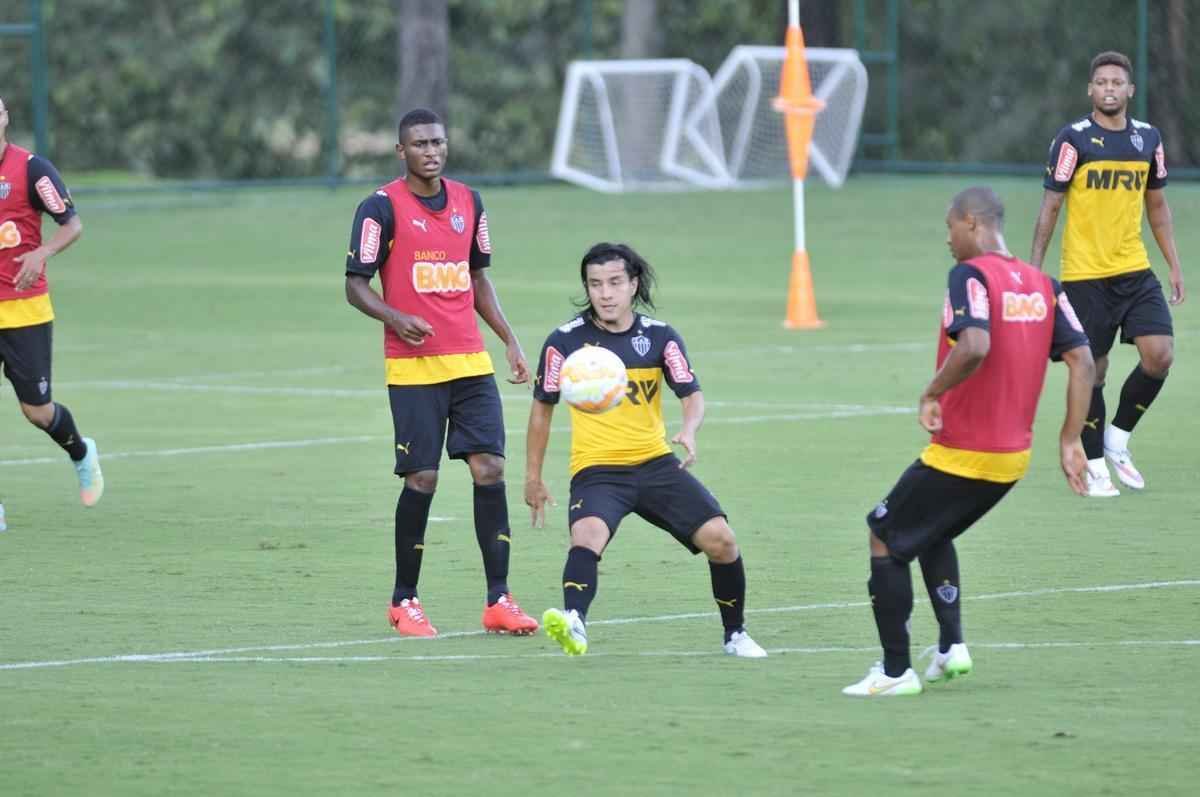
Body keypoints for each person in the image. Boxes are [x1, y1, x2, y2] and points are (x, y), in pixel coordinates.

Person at [844, 187, 1094, 697]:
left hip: (965, 451)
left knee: (883, 535)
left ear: (972, 223)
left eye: (950, 227)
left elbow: (975, 343)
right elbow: (1084, 361)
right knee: (932, 532)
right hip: (1012, 458)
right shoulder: (1043, 284)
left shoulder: (971, 276)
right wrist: (1071, 439)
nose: (948, 239)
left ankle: (894, 673)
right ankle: (950, 648)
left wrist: (932, 390)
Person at [344, 108, 538, 637]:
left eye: (438, 142)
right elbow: (355, 285)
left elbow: (477, 278)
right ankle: (403, 601)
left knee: (490, 469)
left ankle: (499, 599)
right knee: (423, 478)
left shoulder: (469, 202)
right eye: (420, 143)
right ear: (401, 151)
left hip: (471, 364)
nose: (432, 150)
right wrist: (394, 315)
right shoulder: (378, 208)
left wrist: (510, 339)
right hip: (413, 369)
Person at [525, 242, 767, 658]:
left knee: (722, 541)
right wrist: (533, 476)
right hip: (597, 469)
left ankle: (736, 634)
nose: (605, 293)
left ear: (633, 285)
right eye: (595, 284)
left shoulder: (660, 337)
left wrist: (689, 430)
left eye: (615, 283)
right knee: (586, 536)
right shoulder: (564, 343)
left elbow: (692, 395)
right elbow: (541, 411)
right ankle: (574, 623)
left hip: (656, 465)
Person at [1030, 50, 1185, 497]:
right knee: (1092, 371)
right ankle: (1094, 460)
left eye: (1118, 82)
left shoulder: (1148, 140)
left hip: (1134, 269)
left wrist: (1173, 263)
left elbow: (1156, 206)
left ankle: (1118, 439)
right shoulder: (1072, 140)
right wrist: (1033, 273)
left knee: (1160, 355)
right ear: (1091, 90)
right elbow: (1051, 205)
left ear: (1130, 90)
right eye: (1102, 82)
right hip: (1084, 276)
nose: (1110, 89)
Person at [0, 96, 104, 526]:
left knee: (37, 411)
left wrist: (41, 253)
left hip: (25, 310)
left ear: (4, 117)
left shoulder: (31, 169)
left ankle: (81, 451)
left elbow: (72, 224)